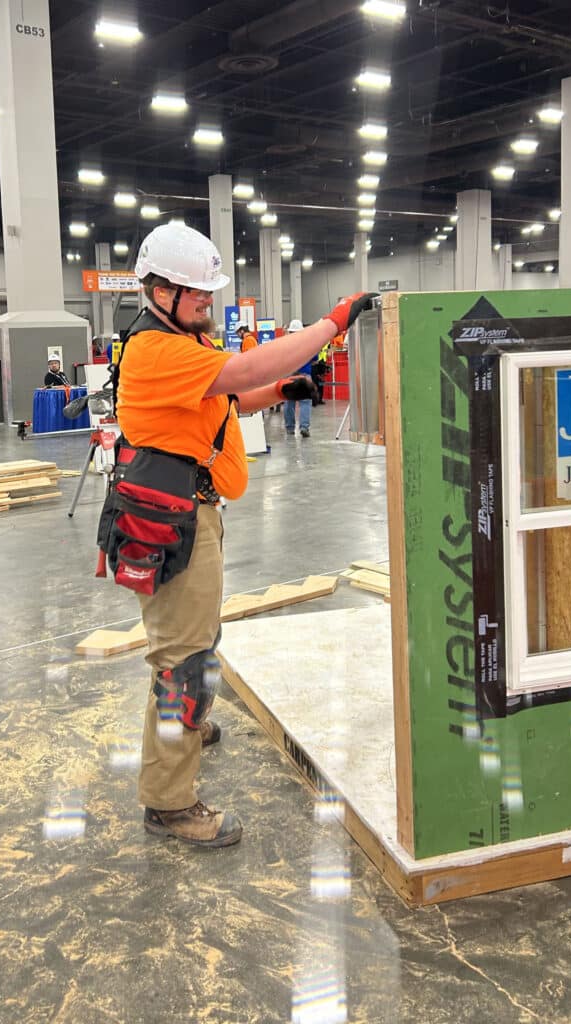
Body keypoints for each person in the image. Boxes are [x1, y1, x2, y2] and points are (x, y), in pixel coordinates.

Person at [114, 222, 374, 848]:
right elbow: (246, 366)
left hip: (189, 511)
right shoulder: (158, 349)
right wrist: (329, 326)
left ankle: (190, 730)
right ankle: (170, 802)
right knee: (183, 658)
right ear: (159, 290)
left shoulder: (181, 341)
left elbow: (224, 400)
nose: (209, 300)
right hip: (174, 520)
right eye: (197, 292)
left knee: (201, 637)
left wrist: (281, 391)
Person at [283, 319, 315, 437]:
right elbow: (315, 357)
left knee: (289, 402)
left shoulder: (285, 344)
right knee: (305, 402)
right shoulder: (308, 343)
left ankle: (290, 428)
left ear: (290, 331)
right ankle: (304, 427)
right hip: (304, 375)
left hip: (290, 375)